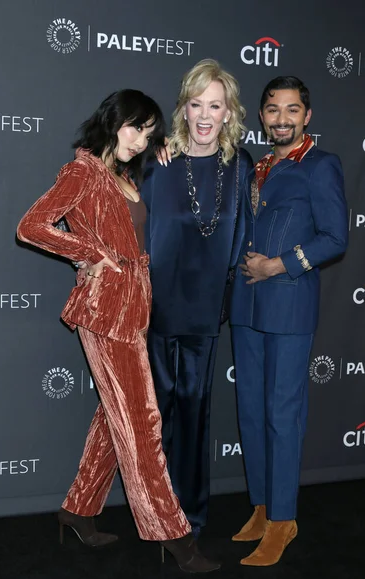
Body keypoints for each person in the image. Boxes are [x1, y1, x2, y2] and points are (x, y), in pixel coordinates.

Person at [17, 89, 220, 573]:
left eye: (148, 133)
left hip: (135, 307)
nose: (139, 139)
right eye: (134, 127)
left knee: (116, 418)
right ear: (112, 120)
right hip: (106, 310)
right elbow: (31, 225)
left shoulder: (124, 173)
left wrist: (163, 149)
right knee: (142, 423)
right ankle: (175, 536)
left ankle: (77, 510)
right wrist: (88, 252)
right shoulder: (83, 171)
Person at [230, 76, 348, 566]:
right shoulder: (256, 166)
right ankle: (261, 507)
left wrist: (278, 265)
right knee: (252, 412)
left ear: (307, 116)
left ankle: (284, 520)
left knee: (282, 415)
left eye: (292, 110)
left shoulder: (321, 166)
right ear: (261, 116)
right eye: (273, 110)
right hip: (246, 306)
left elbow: (335, 238)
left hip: (290, 303)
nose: (282, 118)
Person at [141, 59, 253, 537]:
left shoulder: (241, 165)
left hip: (205, 309)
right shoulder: (155, 161)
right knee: (154, 413)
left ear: (229, 113)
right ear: (183, 109)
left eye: (215, 105)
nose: (205, 115)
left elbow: (243, 236)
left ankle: (190, 515)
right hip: (156, 307)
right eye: (196, 104)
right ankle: (152, 511)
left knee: (194, 411)